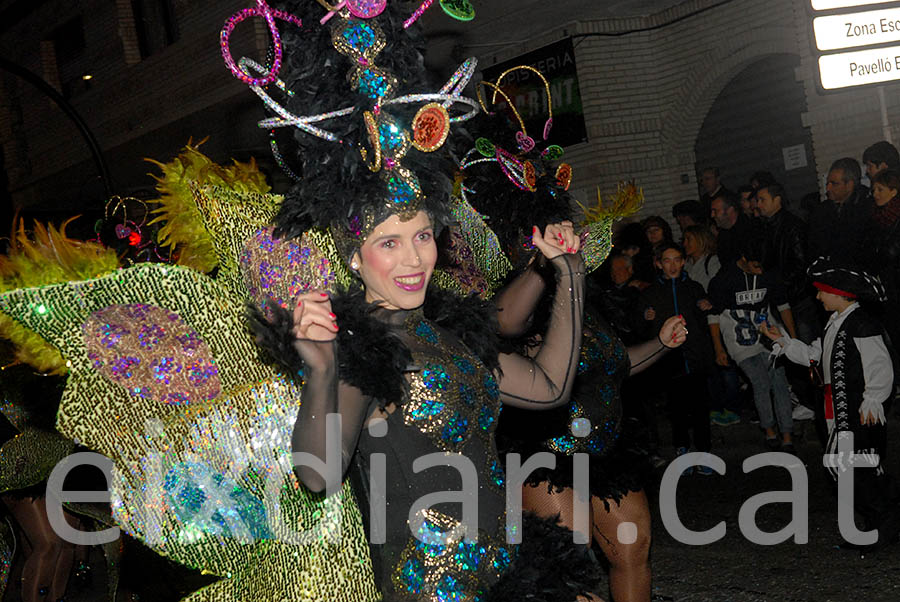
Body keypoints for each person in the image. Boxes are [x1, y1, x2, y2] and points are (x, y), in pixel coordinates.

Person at [761, 258, 898, 548]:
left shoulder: (862, 323)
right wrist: (784, 342)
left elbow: (880, 365)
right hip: (837, 410)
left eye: (822, 291)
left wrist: (873, 399)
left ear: (840, 293)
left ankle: (885, 520)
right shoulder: (837, 322)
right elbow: (816, 355)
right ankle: (879, 526)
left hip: (858, 410)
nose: (818, 296)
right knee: (861, 467)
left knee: (843, 467)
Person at [708, 236, 796, 451]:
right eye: (756, 266)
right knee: (760, 382)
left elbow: (783, 305)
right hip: (739, 341)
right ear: (744, 258)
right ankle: (769, 431)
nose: (760, 271)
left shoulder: (769, 274)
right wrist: (719, 348)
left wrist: (793, 340)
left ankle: (787, 435)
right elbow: (713, 315)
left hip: (767, 335)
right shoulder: (724, 279)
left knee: (780, 383)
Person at [638, 243, 716, 473]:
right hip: (669, 360)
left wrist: (705, 307)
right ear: (659, 263)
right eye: (667, 260)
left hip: (695, 356)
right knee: (677, 408)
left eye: (676, 260)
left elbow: (707, 321)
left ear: (683, 262)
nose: (672, 265)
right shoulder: (651, 293)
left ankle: (703, 452)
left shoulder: (693, 287)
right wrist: (645, 317)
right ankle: (682, 449)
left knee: (701, 408)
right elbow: (638, 327)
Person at [863, 169, 900, 355]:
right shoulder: (875, 219)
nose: (875, 194)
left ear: (893, 191)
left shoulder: (896, 218)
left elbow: (890, 252)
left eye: (880, 189)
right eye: (873, 190)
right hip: (886, 289)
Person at [807, 158, 870, 264]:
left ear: (849, 185)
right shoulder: (821, 211)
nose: (828, 188)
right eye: (827, 184)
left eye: (834, 184)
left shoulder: (866, 209)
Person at [710, 190, 753, 267]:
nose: (712, 215)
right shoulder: (723, 234)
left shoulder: (749, 230)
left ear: (730, 210)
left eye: (715, 211)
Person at [682, 224, 720, 291]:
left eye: (689, 239)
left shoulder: (712, 261)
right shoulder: (686, 263)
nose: (685, 244)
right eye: (684, 240)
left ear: (700, 240)